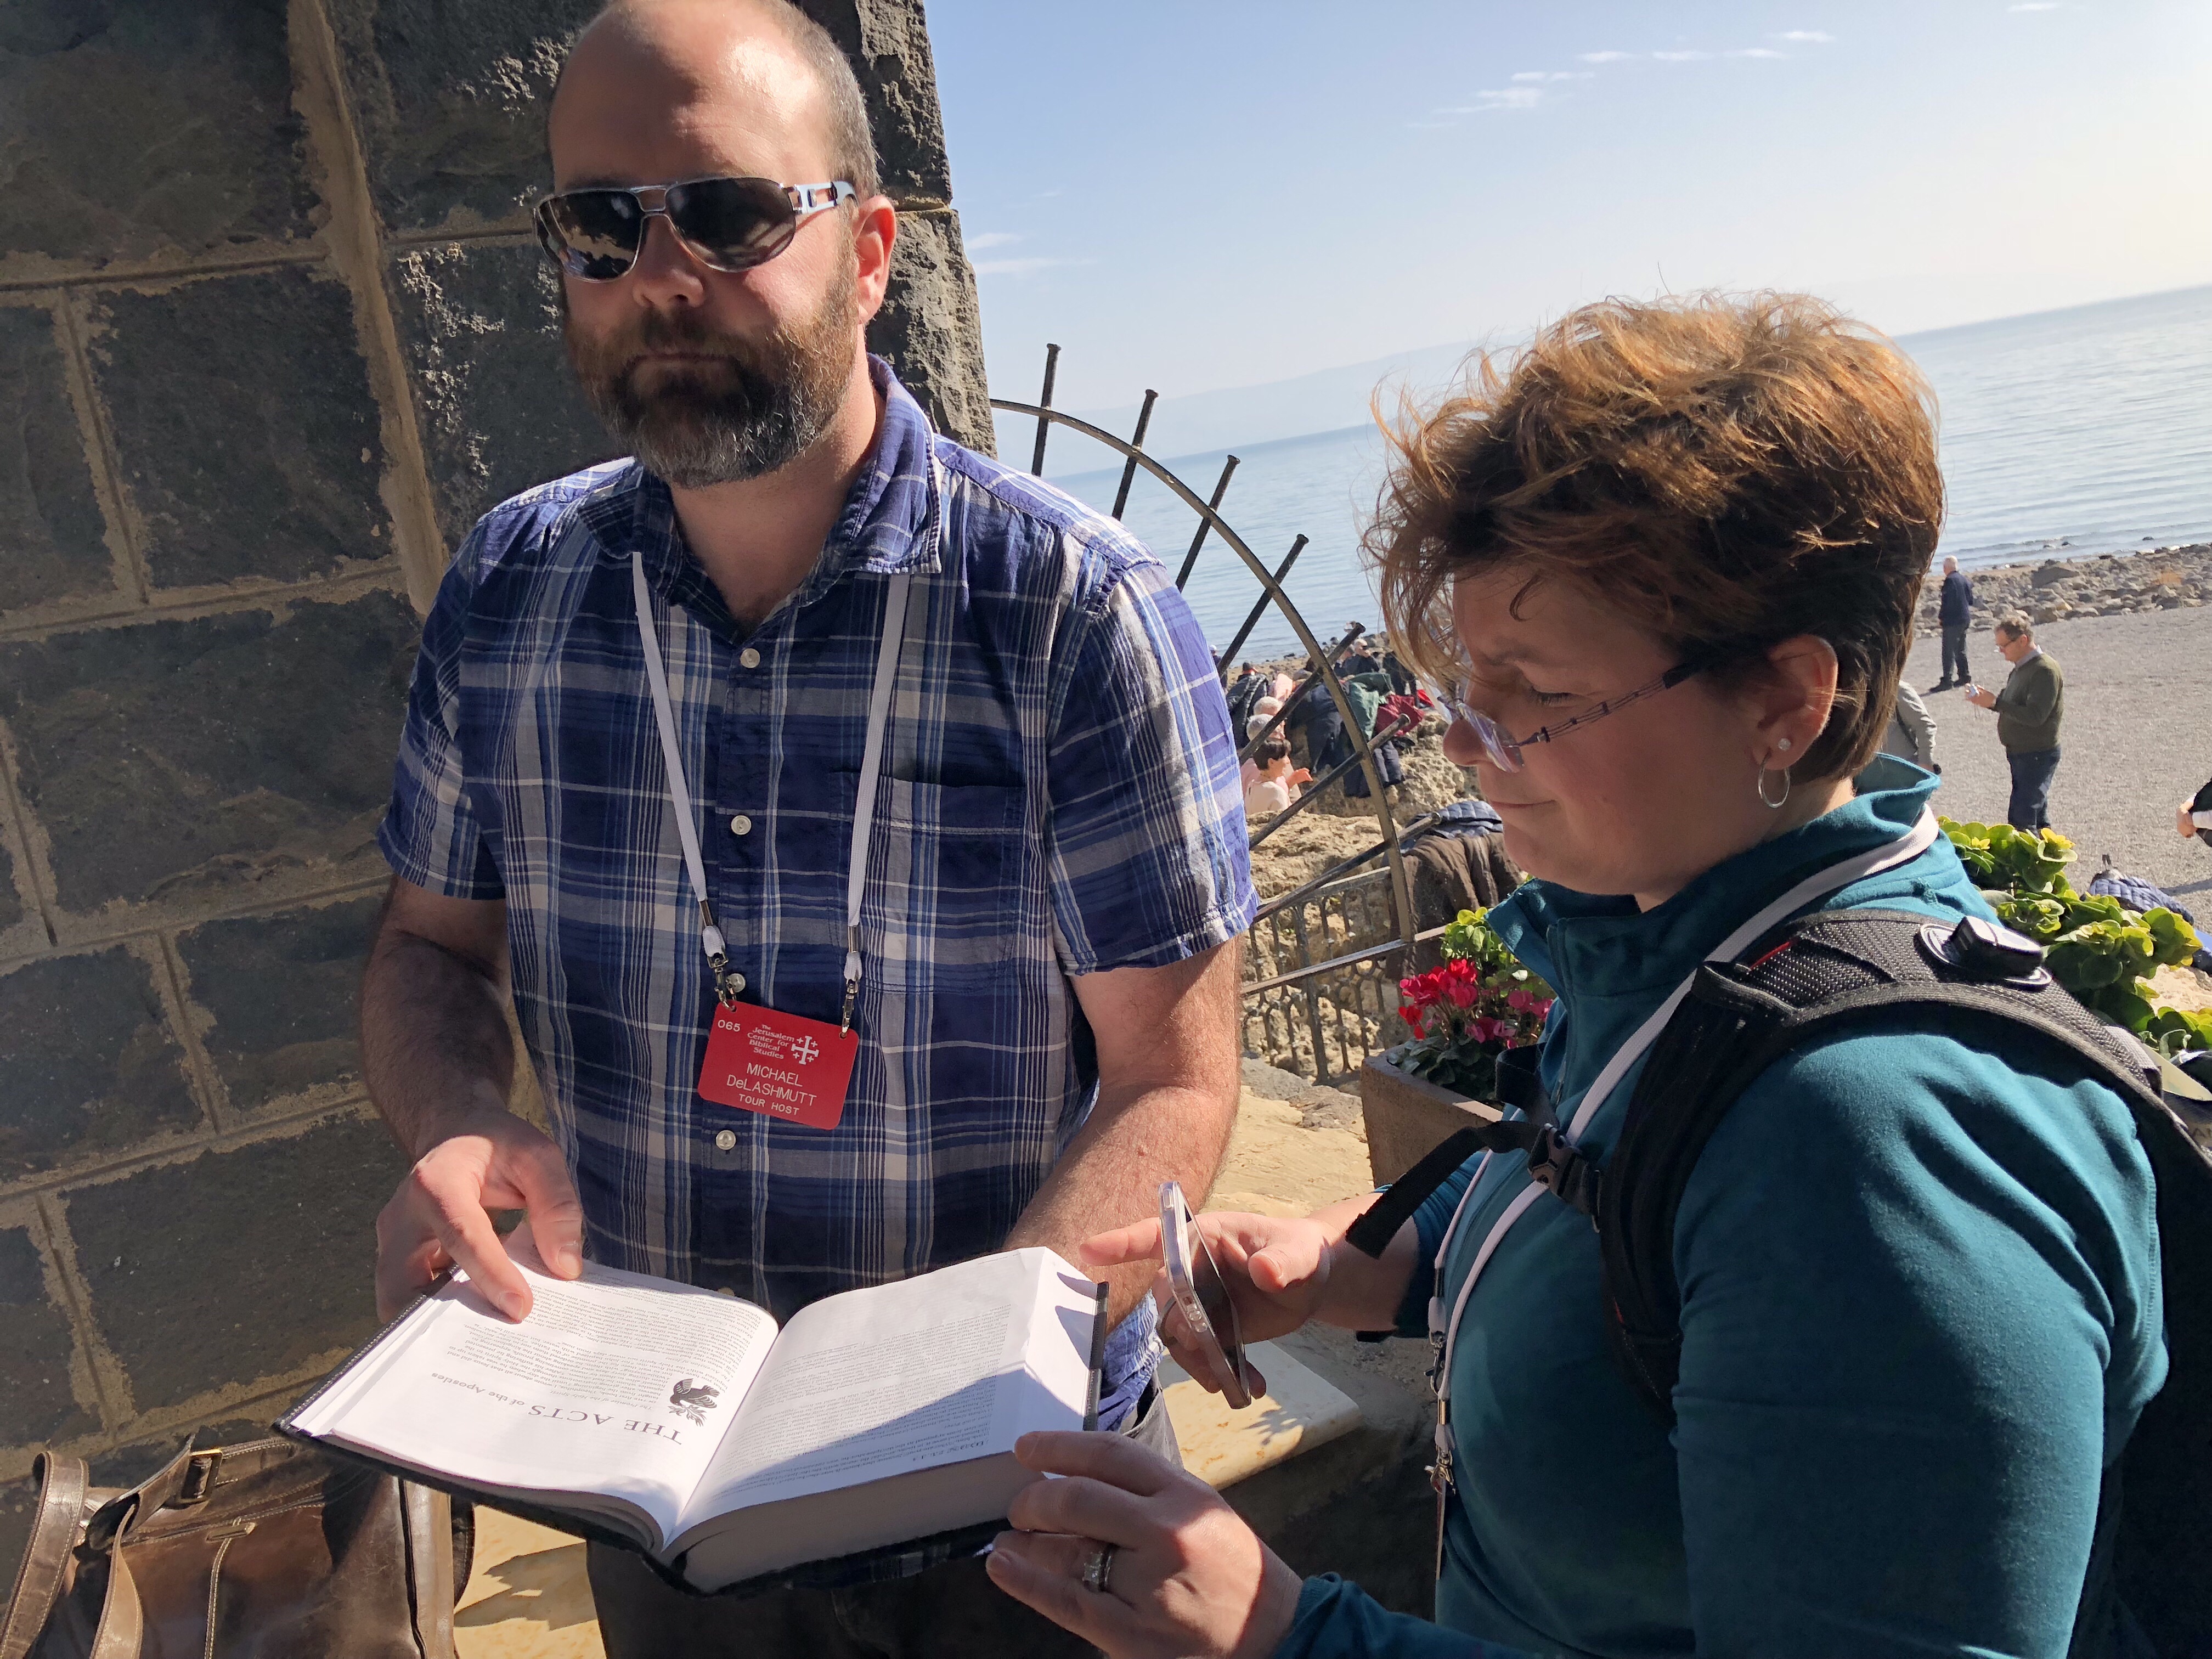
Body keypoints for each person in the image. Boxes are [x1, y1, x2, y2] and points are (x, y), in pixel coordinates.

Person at [981, 294, 2162, 1659]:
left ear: (1789, 699)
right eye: (1466, 681)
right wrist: (1357, 1262)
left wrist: (1289, 1635)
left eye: (1535, 691)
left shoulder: (1876, 1150)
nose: (1466, 741)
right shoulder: (1701, 944)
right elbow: (1614, 1197)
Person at [360, 2, 1255, 1652]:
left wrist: (955, 1402)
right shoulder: (508, 593)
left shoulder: (1074, 615)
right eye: (602, 226)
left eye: (727, 213)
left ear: (872, 250)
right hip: (653, 1496)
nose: (663, 277)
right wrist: (459, 1116)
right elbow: (429, 948)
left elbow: (1173, 1080)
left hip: (1020, 1498)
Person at [1967, 612, 2064, 830]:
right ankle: (2047, 850)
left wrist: (1995, 702)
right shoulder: (2021, 668)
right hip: (2022, 753)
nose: (2001, 651)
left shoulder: (2044, 670)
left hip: (2037, 754)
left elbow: (2036, 716)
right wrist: (1988, 701)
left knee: (2022, 818)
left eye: (2004, 646)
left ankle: (2030, 853)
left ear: (2022, 640)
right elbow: (2009, 704)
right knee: (2036, 815)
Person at [1878, 674, 1938, 772]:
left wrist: (1925, 762)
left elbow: (1924, 725)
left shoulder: (1896, 689)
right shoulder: (1855, 692)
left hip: (1903, 768)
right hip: (1868, 771)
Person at [1931, 553, 1973, 689]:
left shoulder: (1950, 581)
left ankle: (1947, 680)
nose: (1943, 569)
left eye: (1944, 567)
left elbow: (1947, 602)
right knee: (1960, 649)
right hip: (1964, 618)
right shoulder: (1964, 579)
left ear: (1947, 568)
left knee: (1948, 651)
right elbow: (1970, 600)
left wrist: (1942, 617)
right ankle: (1964, 676)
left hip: (1953, 620)